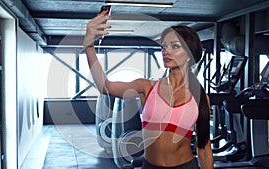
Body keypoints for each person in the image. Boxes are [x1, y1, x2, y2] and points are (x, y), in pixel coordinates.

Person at [83, 10, 214, 169]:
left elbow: (204, 149)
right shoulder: (146, 87)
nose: (166, 50)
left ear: (189, 54)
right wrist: (89, 46)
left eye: (175, 46)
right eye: (164, 46)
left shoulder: (200, 97)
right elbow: (106, 87)